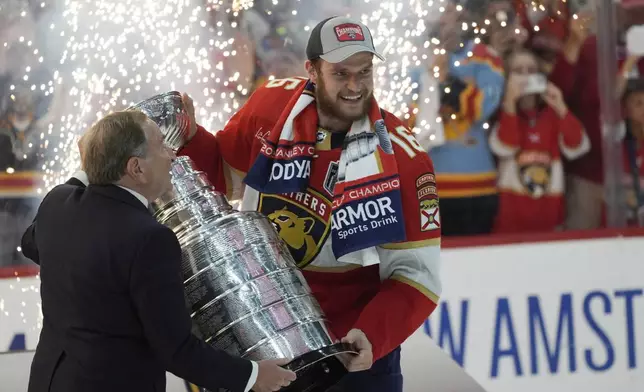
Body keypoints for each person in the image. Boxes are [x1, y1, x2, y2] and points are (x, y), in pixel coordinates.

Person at [177, 16, 442, 391]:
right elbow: (221, 178)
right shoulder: (269, 109)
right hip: (263, 342)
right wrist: (191, 135)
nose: (354, 86)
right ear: (312, 71)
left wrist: (372, 335)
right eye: (341, 73)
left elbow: (417, 277)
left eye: (364, 72)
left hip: (349, 355)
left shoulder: (403, 157)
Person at [20, 110, 296, 392]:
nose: (172, 155)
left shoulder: (58, 202)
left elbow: (31, 244)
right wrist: (252, 376)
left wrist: (91, 163)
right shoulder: (149, 238)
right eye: (162, 146)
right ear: (136, 168)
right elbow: (175, 349)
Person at [489, 49, 589, 233]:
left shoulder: (553, 114)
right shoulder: (501, 115)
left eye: (531, 70)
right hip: (510, 223)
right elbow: (505, 147)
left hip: (549, 221)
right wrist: (510, 102)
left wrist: (560, 107)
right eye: (518, 71)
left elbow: (578, 146)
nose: (526, 76)